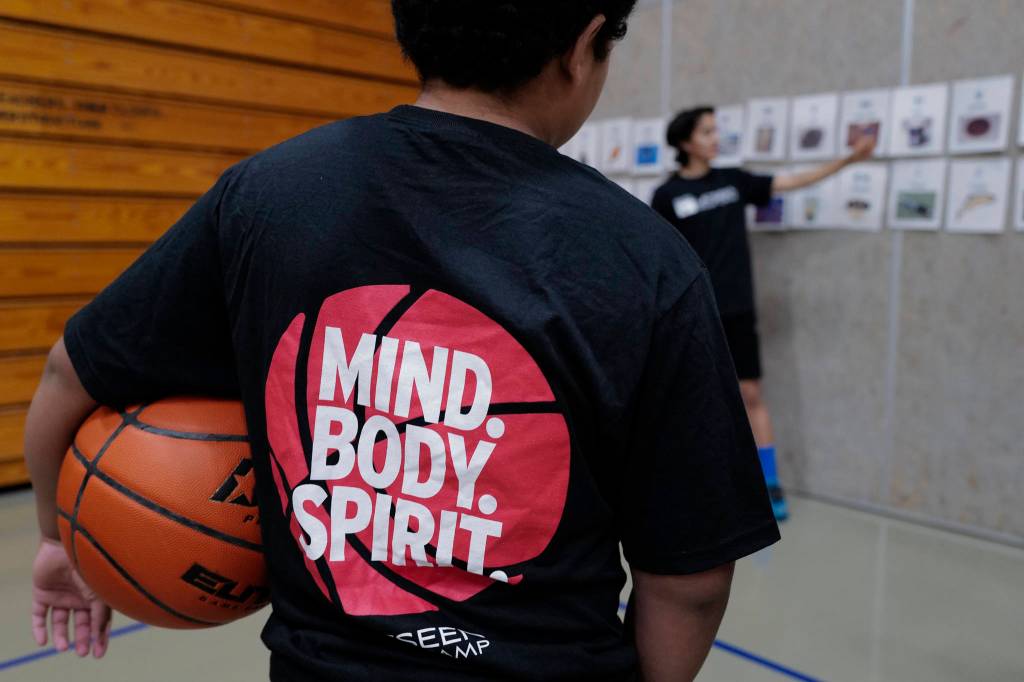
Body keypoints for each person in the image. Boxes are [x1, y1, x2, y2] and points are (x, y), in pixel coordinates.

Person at [26, 3, 780, 680]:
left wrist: (62, 541)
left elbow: (69, 374)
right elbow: (691, 580)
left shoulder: (269, 193)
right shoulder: (647, 258)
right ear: (585, 44)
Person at [653, 107, 876, 521]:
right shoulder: (667, 196)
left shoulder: (733, 180)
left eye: (716, 130)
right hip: (693, 312)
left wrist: (850, 160)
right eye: (707, 131)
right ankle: (703, 483)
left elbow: (793, 181)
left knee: (751, 394)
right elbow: (659, 255)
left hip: (737, 309)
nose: (715, 137)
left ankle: (769, 483)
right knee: (696, 400)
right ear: (685, 142)